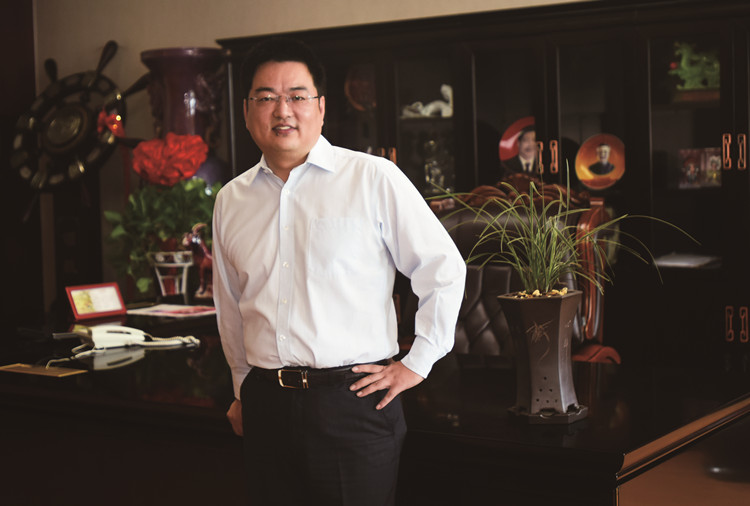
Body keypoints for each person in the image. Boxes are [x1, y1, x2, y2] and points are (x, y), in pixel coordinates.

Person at [211, 37, 466, 506]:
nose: (282, 110)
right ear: (247, 111)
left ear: (321, 107)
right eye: (266, 98)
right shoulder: (231, 199)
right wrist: (242, 390)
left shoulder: (372, 178)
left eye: (297, 96)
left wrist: (417, 363)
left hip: (352, 405)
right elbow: (230, 305)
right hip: (265, 404)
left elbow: (443, 267)